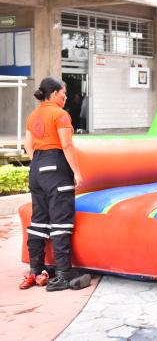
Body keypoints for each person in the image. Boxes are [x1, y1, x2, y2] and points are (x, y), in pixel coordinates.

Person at [21, 77, 91, 292]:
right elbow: (66, 145)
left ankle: (35, 271)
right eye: (63, 93)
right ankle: (62, 274)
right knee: (61, 221)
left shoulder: (33, 115)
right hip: (56, 166)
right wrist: (77, 172)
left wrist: (40, 165)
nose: (65, 97)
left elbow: (27, 145)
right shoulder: (60, 114)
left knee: (38, 220)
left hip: (37, 168)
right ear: (54, 93)